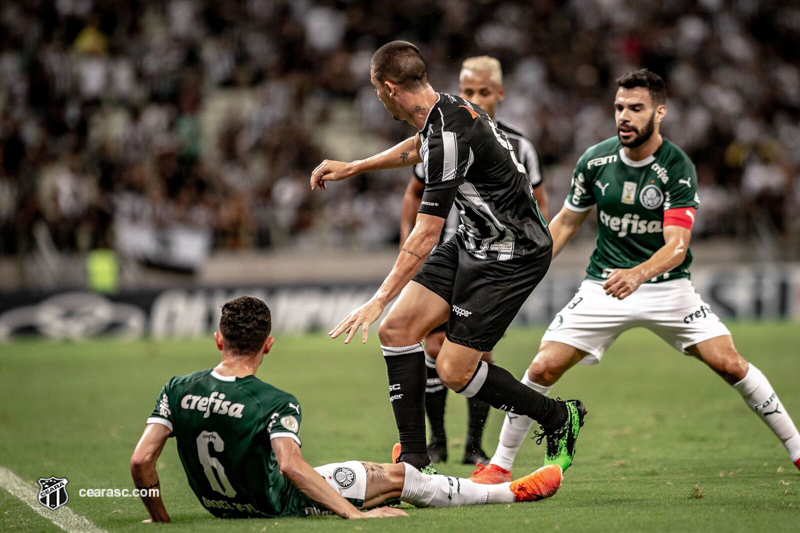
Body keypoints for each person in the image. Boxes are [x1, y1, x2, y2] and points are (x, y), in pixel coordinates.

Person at [470, 69, 800, 484]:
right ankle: (500, 466)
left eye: (636, 108)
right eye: (619, 108)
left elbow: (677, 245)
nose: (624, 116)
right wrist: (526, 267)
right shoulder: (596, 160)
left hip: (668, 288)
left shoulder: (676, 166)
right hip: (604, 286)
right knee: (542, 367)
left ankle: (797, 450)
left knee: (731, 365)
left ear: (659, 112)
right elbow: (568, 222)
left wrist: (639, 274)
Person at [309, 41, 586, 474]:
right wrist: (354, 166)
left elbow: (426, 232)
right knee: (397, 330)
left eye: (375, 91)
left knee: (454, 370)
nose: (377, 99)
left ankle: (558, 418)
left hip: (513, 253)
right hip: (474, 239)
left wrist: (378, 297)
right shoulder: (442, 110)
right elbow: (419, 147)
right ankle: (416, 463)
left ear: (388, 88)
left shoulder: (451, 134)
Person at [129, 296, 563, 522]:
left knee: (389, 477)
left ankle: (400, 479)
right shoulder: (274, 402)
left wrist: (160, 520)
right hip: (282, 504)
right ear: (268, 344)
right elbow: (292, 469)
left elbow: (141, 460)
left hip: (220, 507)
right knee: (403, 478)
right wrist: (355, 514)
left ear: (219, 340)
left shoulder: (177, 388)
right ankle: (506, 492)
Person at [399, 56, 550, 465]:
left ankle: (473, 445)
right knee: (426, 339)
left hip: (501, 258)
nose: (476, 97)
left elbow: (538, 206)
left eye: (484, 91)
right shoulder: (445, 133)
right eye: (469, 91)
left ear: (500, 94)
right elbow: (416, 189)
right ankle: (432, 443)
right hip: (455, 244)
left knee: (471, 357)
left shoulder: (520, 146)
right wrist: (408, 248)